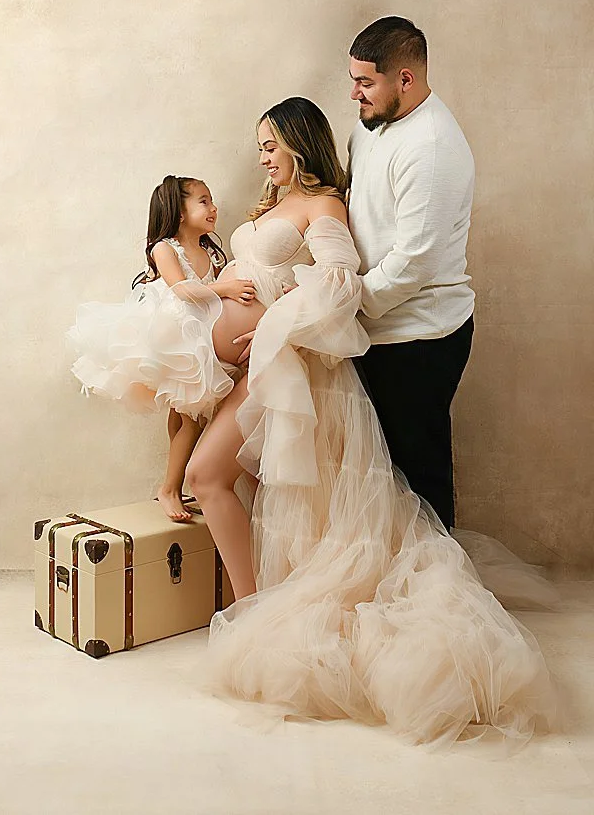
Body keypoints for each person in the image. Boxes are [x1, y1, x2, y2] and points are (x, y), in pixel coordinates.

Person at [179, 97, 550, 747]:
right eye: (259, 146)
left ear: (299, 143)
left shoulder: (324, 206)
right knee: (248, 488)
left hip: (293, 373)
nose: (262, 157)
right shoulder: (276, 205)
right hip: (256, 373)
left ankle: (248, 612)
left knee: (212, 478)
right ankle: (254, 603)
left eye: (271, 145)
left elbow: (340, 286)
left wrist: (275, 324)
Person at [344, 17, 474, 528]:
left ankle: (437, 574)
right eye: (353, 80)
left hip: (421, 335)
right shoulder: (369, 126)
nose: (355, 93)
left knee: (419, 478)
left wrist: (344, 302)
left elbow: (414, 261)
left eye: (365, 82)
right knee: (381, 478)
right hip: (377, 328)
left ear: (405, 78)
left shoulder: (432, 146)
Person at [68, 175, 252, 520]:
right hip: (175, 338)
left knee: (184, 414)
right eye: (203, 201)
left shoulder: (211, 252)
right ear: (179, 212)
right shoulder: (164, 248)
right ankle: (168, 489)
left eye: (212, 200)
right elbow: (182, 290)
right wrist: (226, 289)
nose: (213, 208)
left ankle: (176, 485)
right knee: (192, 420)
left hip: (201, 339)